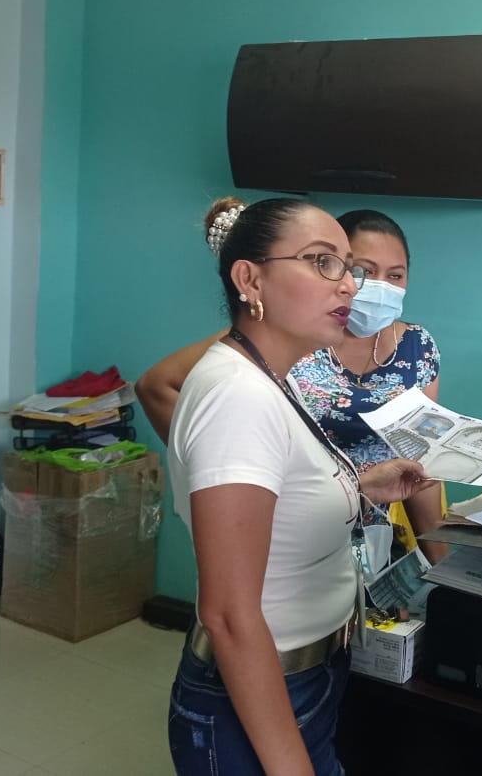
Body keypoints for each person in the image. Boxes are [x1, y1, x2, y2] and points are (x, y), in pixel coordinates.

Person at [163, 196, 435, 776]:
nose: (350, 286)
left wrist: (362, 486)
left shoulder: (271, 378)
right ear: (250, 280)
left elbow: (281, 494)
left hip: (308, 673)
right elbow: (229, 615)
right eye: (322, 262)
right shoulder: (238, 396)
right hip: (263, 686)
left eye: (346, 267)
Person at [138, 206, 446, 564]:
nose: (366, 287)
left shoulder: (416, 348)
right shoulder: (268, 355)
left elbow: (420, 466)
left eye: (395, 275)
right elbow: (157, 385)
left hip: (369, 539)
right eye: (358, 270)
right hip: (290, 545)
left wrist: (445, 571)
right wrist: (217, 469)